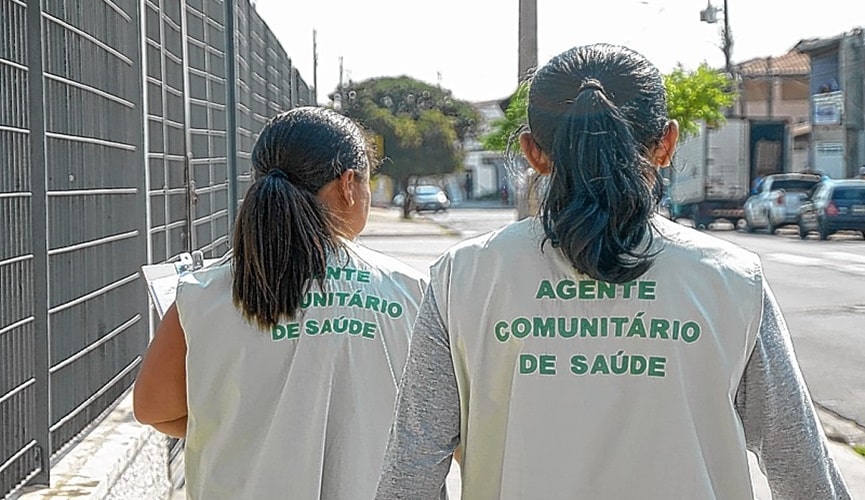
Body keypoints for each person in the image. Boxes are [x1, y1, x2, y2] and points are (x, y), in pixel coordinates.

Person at [375, 44, 851, 499]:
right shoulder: (731, 278)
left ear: (532, 152)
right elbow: (800, 467)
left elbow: (412, 470)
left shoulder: (465, 275)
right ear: (667, 142)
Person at [133, 107, 427, 500]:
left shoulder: (202, 293)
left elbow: (154, 408)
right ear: (349, 184)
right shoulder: (410, 290)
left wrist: (253, 426)